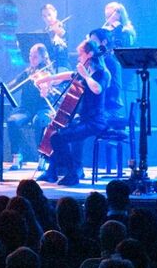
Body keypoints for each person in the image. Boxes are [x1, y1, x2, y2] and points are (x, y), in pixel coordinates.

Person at [39, 39, 111, 187]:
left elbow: (97, 89)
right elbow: (69, 75)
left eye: (80, 54)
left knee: (58, 138)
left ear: (89, 54)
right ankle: (52, 171)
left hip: (95, 121)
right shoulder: (86, 73)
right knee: (54, 131)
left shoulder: (101, 74)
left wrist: (86, 75)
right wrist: (48, 78)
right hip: (84, 119)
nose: (78, 58)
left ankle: (72, 173)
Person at [6, 43, 55, 169]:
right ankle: (17, 156)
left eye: (35, 56)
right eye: (30, 56)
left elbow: (50, 93)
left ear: (43, 58)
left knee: (40, 121)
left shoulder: (48, 73)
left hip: (43, 108)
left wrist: (45, 88)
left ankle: (42, 156)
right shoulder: (27, 73)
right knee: (12, 121)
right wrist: (2, 87)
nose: (31, 59)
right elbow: (13, 85)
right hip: (26, 109)